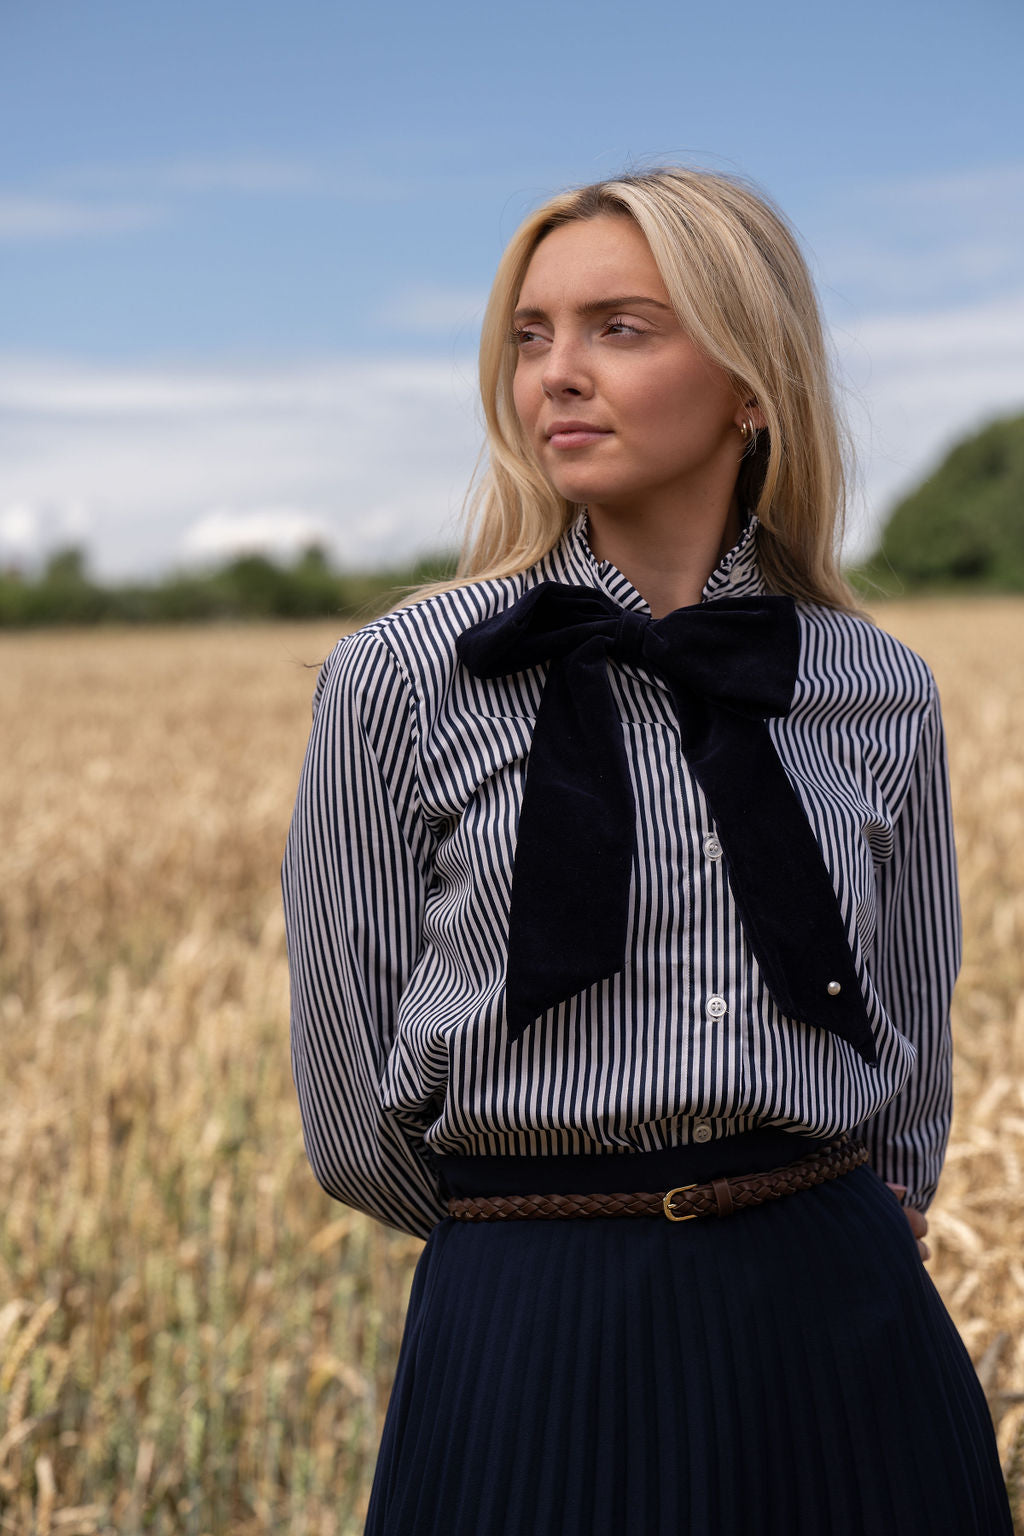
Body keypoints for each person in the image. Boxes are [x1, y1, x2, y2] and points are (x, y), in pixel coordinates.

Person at [282, 167, 1013, 1535]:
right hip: (529, 1313)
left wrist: (859, 1219)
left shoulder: (878, 688)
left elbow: (910, 1042)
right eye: (530, 336)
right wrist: (545, 1233)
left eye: (621, 327)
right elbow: (351, 1109)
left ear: (753, 384)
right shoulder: (401, 679)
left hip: (842, 1311)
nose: (558, 374)